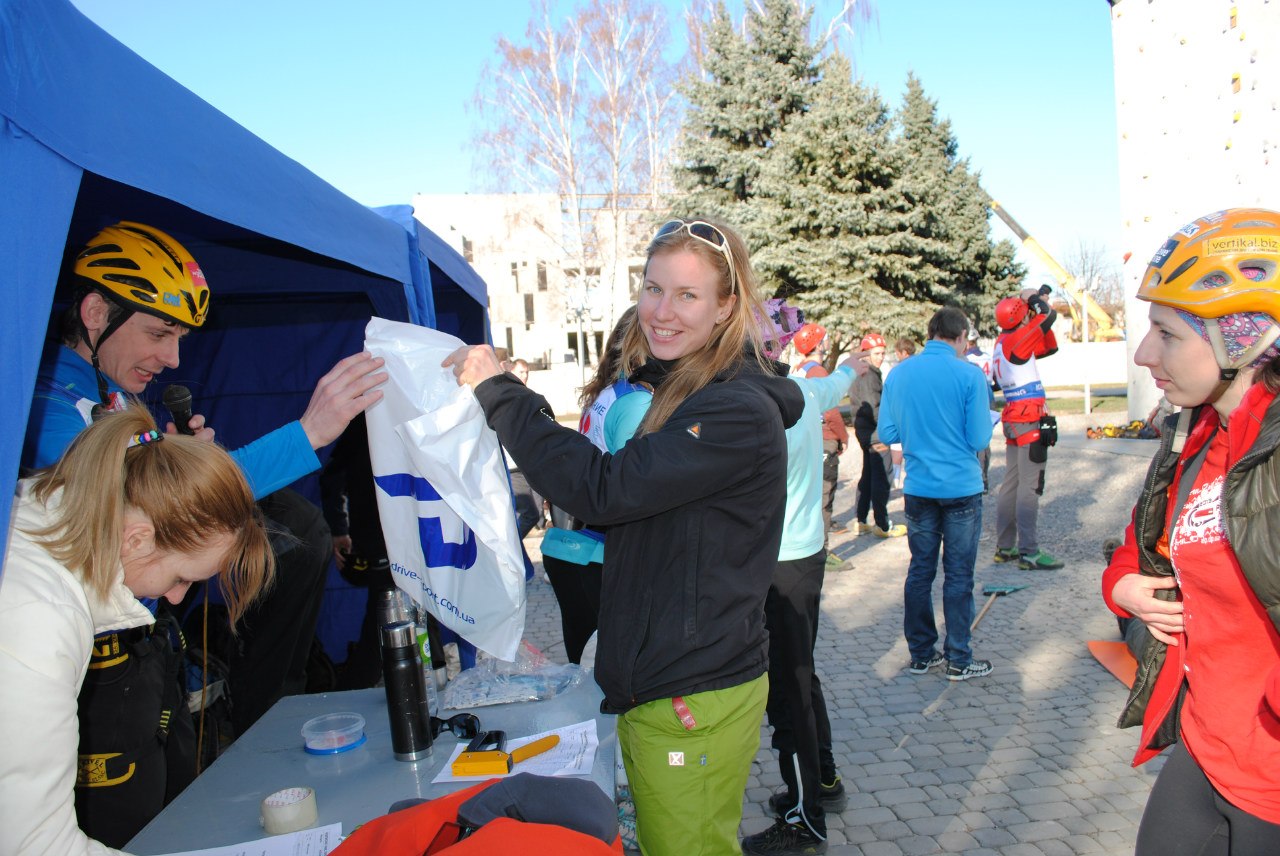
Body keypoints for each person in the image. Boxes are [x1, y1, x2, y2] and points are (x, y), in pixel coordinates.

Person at [445, 217, 803, 856]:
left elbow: (603, 488)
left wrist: (501, 394)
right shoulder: (689, 389)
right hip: (671, 682)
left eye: (687, 295)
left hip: (691, 692)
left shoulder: (734, 411)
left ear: (726, 308)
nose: (662, 312)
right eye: (652, 288)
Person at [21, 221, 385, 737]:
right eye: (158, 333)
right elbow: (151, 507)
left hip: (141, 649)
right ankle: (258, 717)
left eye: (180, 338)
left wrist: (185, 456)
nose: (172, 359)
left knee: (300, 527)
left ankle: (267, 706)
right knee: (297, 536)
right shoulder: (46, 406)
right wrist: (308, 433)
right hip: (98, 671)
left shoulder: (112, 392)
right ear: (96, 313)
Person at [0, 407, 274, 856]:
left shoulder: (37, 517)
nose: (177, 599)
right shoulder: (37, 622)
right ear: (136, 541)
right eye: (183, 577)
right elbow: (34, 846)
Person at [1102, 208, 1280, 855]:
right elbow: (1139, 544)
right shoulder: (1193, 432)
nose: (1146, 353)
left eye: (1167, 333)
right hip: (1206, 746)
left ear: (1244, 337)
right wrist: (1124, 586)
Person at [751, 350, 860, 855]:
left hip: (780, 565)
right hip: (806, 555)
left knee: (787, 692)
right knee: (801, 675)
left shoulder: (756, 407)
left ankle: (805, 818)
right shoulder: (804, 388)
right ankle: (824, 782)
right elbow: (840, 379)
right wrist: (855, 364)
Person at [879, 307, 994, 681]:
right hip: (961, 487)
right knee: (959, 575)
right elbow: (979, 438)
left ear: (930, 334)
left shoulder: (900, 373)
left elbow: (889, 432)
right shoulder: (968, 375)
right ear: (960, 337)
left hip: (920, 487)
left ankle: (921, 653)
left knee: (920, 571)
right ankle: (959, 657)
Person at [541, 307, 650, 665]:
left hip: (574, 551)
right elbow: (637, 493)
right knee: (610, 682)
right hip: (599, 557)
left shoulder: (609, 391)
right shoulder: (638, 402)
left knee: (585, 674)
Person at [990, 285, 1065, 570]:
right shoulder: (1018, 339)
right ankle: (1029, 552)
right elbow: (1047, 316)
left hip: (1013, 417)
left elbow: (1048, 346)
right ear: (1020, 317)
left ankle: (1005, 547)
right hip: (1028, 418)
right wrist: (1034, 300)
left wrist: (1031, 309)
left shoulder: (1002, 341)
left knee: (1011, 482)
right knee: (1030, 485)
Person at [790, 323, 850, 548]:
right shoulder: (818, 371)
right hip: (824, 438)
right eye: (824, 340)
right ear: (817, 344)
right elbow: (831, 410)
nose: (827, 344)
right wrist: (843, 436)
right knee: (824, 495)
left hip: (806, 437)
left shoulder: (799, 368)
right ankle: (823, 549)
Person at [851, 332, 905, 538]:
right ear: (866, 354)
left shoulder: (862, 372)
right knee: (882, 477)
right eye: (876, 353)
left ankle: (861, 519)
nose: (880, 357)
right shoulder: (869, 375)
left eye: (883, 353)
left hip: (866, 432)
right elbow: (875, 408)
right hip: (875, 434)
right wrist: (891, 425)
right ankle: (882, 524)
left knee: (868, 477)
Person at [964, 327, 996, 493]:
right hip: (988, 396)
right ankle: (984, 477)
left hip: (974, 397)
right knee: (984, 439)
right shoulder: (987, 357)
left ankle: (973, 476)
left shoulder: (966, 359)